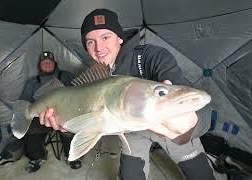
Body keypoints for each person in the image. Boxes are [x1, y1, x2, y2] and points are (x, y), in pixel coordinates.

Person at [39, 9, 216, 180]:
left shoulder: (152, 56)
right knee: (130, 175)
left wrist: (192, 123)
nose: (99, 47)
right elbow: (85, 116)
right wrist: (68, 122)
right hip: (131, 131)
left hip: (165, 124)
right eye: (90, 42)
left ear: (120, 38)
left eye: (105, 37)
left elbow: (186, 97)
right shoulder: (97, 74)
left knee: (199, 172)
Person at [19, 51, 82, 173]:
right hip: (41, 117)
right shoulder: (33, 81)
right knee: (29, 130)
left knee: (72, 129)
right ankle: (37, 157)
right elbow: (24, 100)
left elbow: (80, 90)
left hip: (65, 114)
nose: (47, 64)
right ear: (40, 65)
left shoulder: (66, 75)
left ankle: (72, 156)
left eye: (50, 62)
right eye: (44, 62)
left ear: (55, 64)